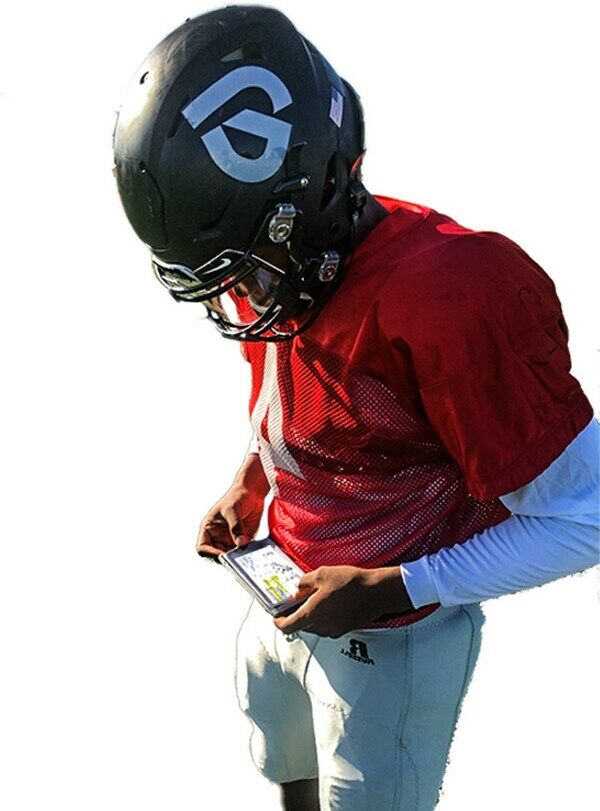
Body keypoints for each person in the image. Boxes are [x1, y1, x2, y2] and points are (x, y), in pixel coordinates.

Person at [112, 6, 598, 809]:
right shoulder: (288, 251)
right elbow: (305, 391)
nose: (242, 296)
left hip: (395, 634)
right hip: (291, 580)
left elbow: (588, 517)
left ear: (315, 197)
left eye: (250, 266)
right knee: (280, 753)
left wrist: (397, 585)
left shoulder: (451, 295)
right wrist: (252, 479)